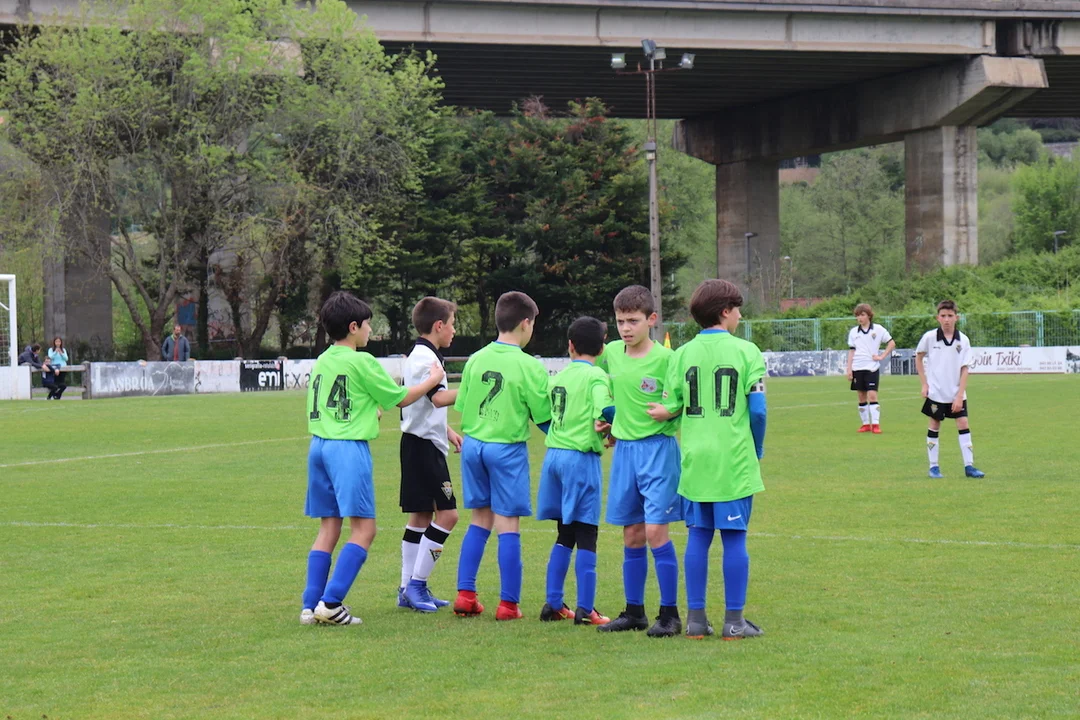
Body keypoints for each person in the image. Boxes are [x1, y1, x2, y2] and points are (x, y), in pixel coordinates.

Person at [299, 291, 445, 626]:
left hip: (319, 447)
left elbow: (341, 402)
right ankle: (331, 604)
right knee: (365, 529)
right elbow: (401, 398)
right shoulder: (362, 361)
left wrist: (368, 411)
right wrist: (433, 380)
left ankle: (310, 605)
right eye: (367, 324)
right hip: (347, 450)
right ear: (353, 327)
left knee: (328, 528)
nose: (369, 330)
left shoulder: (323, 359)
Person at [648, 279, 767, 640]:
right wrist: (757, 449)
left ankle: (696, 620)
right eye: (737, 309)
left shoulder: (681, 355)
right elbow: (758, 411)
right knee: (734, 538)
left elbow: (671, 405)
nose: (740, 316)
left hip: (695, 460)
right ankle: (734, 621)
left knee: (698, 537)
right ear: (725, 312)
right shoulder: (747, 351)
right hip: (732, 459)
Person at [452, 291, 552, 621]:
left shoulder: (476, 359)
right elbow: (543, 416)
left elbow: (463, 404)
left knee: (479, 519)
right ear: (525, 323)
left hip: (473, 445)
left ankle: (465, 594)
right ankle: (508, 604)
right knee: (507, 523)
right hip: (505, 448)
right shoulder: (529, 365)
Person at [595, 285, 683, 638]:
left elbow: (681, 402)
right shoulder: (611, 355)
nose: (626, 328)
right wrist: (608, 421)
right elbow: (605, 389)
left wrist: (670, 411)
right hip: (625, 454)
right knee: (631, 534)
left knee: (655, 532)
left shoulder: (667, 359)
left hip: (658, 451)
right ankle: (634, 612)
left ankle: (670, 614)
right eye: (620, 321)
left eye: (633, 321)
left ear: (652, 320)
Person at [537, 317, 614, 626]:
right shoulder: (596, 376)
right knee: (587, 532)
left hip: (553, 457)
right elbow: (605, 411)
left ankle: (554, 603)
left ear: (570, 345)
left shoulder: (559, 376)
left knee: (565, 532)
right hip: (580, 460)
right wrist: (615, 428)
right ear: (602, 347)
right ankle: (586, 609)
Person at [397, 297, 463, 613]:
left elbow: (422, 404)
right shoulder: (427, 359)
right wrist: (473, 390)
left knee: (421, 517)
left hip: (417, 442)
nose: (454, 331)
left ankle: (406, 588)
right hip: (424, 448)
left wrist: (446, 430)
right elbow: (437, 398)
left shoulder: (419, 354)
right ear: (439, 325)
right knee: (448, 515)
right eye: (452, 324)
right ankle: (417, 584)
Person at [916, 300, 985, 479]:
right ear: (937, 318)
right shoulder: (930, 337)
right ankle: (934, 467)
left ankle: (969, 466)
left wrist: (960, 395)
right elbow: (919, 357)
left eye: (950, 316)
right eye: (943, 316)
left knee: (963, 424)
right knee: (934, 424)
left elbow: (965, 368)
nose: (946, 319)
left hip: (956, 393)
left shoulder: (963, 340)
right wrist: (924, 384)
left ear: (957, 317)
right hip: (936, 393)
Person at [845, 304, 895, 434]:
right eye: (857, 315)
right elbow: (851, 351)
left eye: (862, 315)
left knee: (872, 395)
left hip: (872, 368)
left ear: (869, 315)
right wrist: (849, 369)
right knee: (861, 396)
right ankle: (866, 424)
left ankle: (876, 425)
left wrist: (882, 356)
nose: (860, 318)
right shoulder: (853, 332)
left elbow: (891, 343)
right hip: (857, 368)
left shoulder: (878, 329)